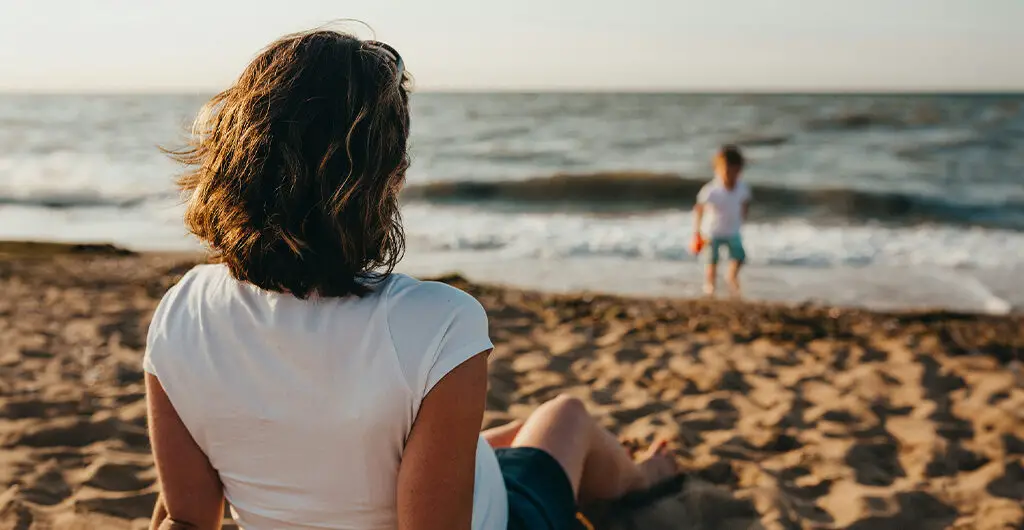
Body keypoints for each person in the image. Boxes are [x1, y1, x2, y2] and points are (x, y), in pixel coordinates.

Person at [144, 28, 677, 530]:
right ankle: (647, 484)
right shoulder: (440, 323)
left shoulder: (180, 311)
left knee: (502, 440)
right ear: (387, 177)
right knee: (567, 418)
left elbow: (187, 520)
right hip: (504, 517)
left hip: (373, 475)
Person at [692, 145, 752, 296]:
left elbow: (745, 203)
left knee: (739, 257)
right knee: (712, 260)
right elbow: (699, 209)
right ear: (716, 169)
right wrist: (697, 232)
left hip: (733, 230)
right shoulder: (712, 189)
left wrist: (742, 218)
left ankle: (731, 276)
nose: (730, 175)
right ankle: (710, 284)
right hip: (712, 231)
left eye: (734, 171)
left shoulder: (742, 188)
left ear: (739, 170)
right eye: (726, 170)